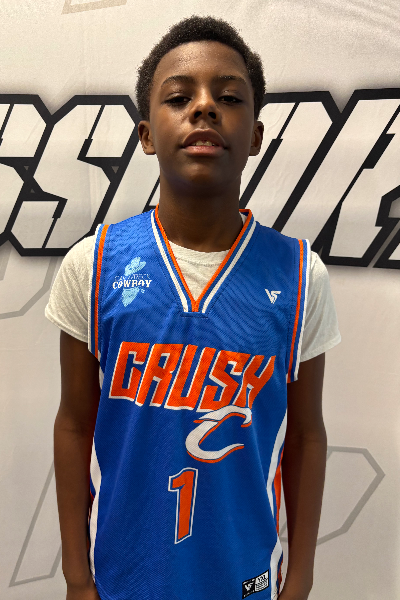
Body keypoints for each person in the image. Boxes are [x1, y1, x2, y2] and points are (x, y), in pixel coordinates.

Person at [46, 15, 341, 600]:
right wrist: (77, 577)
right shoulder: (94, 263)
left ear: (255, 135)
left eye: (228, 97)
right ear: (146, 134)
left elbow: (307, 436)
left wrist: (302, 576)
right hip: (126, 576)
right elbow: (74, 424)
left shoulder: (301, 274)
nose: (204, 107)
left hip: (244, 575)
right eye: (179, 97)